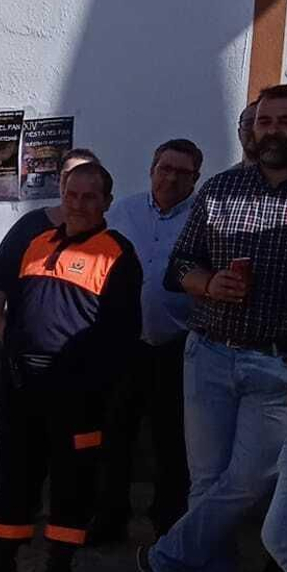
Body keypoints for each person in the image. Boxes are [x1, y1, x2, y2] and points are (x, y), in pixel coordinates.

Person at [140, 83, 287, 572]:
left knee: (249, 481)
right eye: (264, 121)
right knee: (207, 480)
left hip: (279, 364)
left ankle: (162, 560)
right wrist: (208, 282)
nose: (272, 131)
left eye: (285, 121)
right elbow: (180, 265)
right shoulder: (220, 189)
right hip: (209, 353)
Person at [0, 161, 141, 572]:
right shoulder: (37, 242)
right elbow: (8, 294)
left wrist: (94, 386)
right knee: (15, 474)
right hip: (22, 383)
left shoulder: (117, 254)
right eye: (71, 195)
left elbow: (122, 335)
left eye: (89, 197)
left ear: (106, 202)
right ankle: (0, 561)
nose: (78, 204)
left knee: (72, 483)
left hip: (77, 394)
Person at [96, 138, 204, 542]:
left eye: (181, 172)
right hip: (126, 343)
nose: (171, 178)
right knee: (115, 432)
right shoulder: (122, 212)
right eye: (165, 169)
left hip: (178, 345)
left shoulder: (203, 218)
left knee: (172, 439)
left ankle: (167, 522)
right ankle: (110, 517)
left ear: (196, 178)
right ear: (151, 170)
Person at [0, 147, 104, 340]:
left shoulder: (110, 241)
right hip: (26, 348)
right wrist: (1, 328)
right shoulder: (30, 226)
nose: (75, 185)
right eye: (68, 176)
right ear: (58, 180)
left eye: (84, 176)